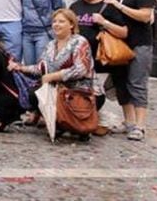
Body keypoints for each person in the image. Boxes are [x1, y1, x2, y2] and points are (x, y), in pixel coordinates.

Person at [12, 8, 96, 140]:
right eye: (54, 21)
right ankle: (59, 122)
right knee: (32, 93)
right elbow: (41, 68)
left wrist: (54, 76)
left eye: (61, 21)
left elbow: (81, 70)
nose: (56, 24)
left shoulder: (80, 42)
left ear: (71, 25)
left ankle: (75, 123)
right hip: (57, 89)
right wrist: (20, 68)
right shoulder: (50, 45)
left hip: (80, 90)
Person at [103, 0, 155, 141]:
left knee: (137, 83)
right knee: (120, 82)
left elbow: (145, 16)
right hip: (118, 44)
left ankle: (140, 125)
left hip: (139, 43)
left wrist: (119, 6)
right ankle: (128, 121)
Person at [70, 0, 128, 120]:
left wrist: (104, 22)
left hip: (101, 59)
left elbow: (123, 32)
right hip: (80, 60)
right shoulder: (74, 7)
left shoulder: (108, 6)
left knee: (102, 93)